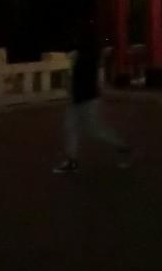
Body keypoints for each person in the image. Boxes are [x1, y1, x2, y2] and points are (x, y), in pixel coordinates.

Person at [54, 22, 130, 173]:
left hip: (87, 98)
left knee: (95, 130)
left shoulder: (88, 55)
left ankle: (122, 147)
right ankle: (71, 160)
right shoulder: (86, 54)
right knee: (70, 127)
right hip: (78, 97)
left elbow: (84, 76)